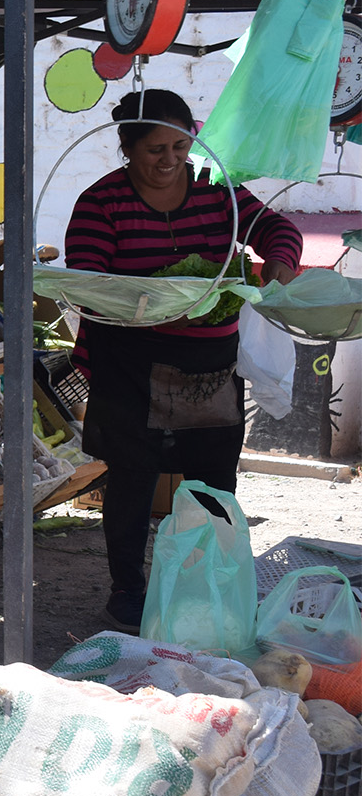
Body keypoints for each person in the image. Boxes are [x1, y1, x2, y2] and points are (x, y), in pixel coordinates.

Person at [66, 88, 301, 633]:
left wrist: (279, 266)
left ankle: (208, 584)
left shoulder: (216, 192)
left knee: (213, 479)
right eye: (155, 149)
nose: (170, 159)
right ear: (127, 148)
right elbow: (89, 280)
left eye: (180, 145)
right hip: (132, 357)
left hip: (208, 362)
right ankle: (128, 590)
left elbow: (278, 230)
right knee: (132, 478)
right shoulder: (101, 203)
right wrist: (148, 299)